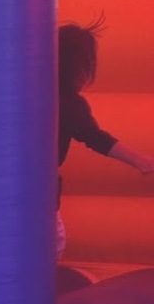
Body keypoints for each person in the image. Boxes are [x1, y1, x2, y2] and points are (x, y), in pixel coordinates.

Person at [56, 22, 153, 257]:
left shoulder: (26, 91)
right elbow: (94, 137)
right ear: (77, 68)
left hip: (14, 186)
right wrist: (140, 161)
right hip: (37, 190)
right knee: (52, 243)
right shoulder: (67, 102)